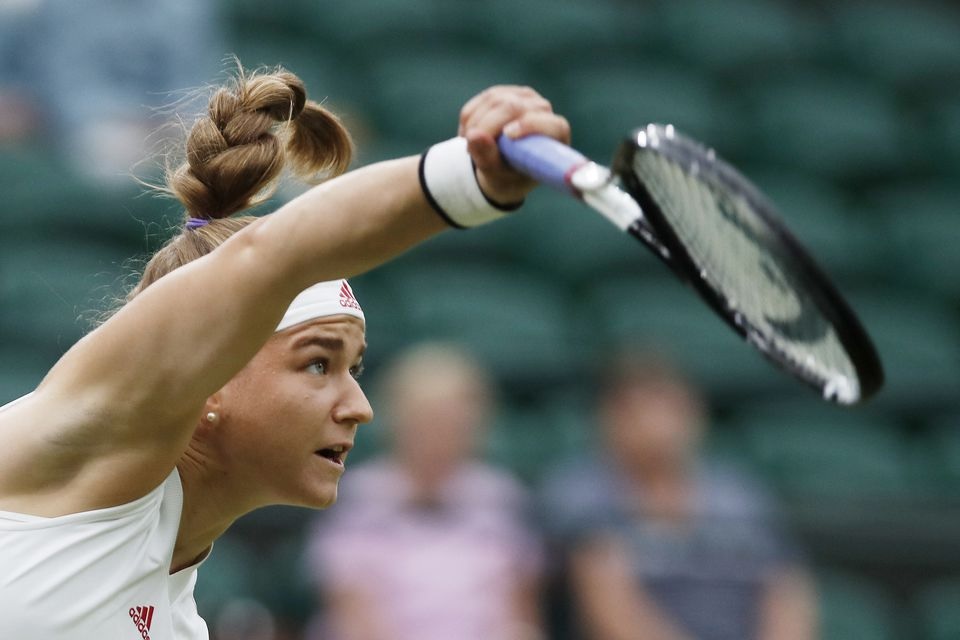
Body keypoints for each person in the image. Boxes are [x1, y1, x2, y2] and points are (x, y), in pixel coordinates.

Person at [0, 60, 570, 638]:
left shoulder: (180, 622)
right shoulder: (86, 439)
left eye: (355, 368)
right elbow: (272, 254)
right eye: (318, 363)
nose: (359, 407)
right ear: (210, 373)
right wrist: (471, 176)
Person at [540, 350, 817, 640]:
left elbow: (787, 589)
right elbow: (613, 614)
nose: (660, 422)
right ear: (610, 418)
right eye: (642, 407)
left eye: (671, 405)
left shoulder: (739, 494)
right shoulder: (581, 492)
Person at [307, 342, 544, 640]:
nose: (439, 435)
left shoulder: (502, 496)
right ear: (399, 423)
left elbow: (519, 616)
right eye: (427, 422)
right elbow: (355, 617)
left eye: (452, 423)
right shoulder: (357, 495)